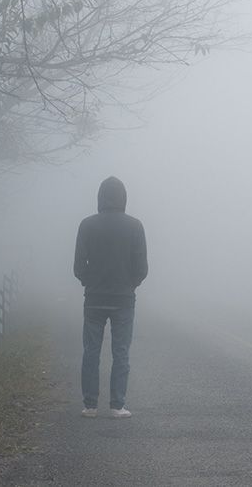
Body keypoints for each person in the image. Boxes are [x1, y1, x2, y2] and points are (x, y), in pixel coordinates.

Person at [73, 176, 148, 419]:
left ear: (100, 197)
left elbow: (78, 266)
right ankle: (117, 405)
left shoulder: (87, 225)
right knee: (121, 352)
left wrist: (90, 282)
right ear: (124, 197)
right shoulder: (135, 226)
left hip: (94, 298)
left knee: (91, 351)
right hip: (123, 299)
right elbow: (142, 268)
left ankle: (90, 405)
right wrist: (130, 285)